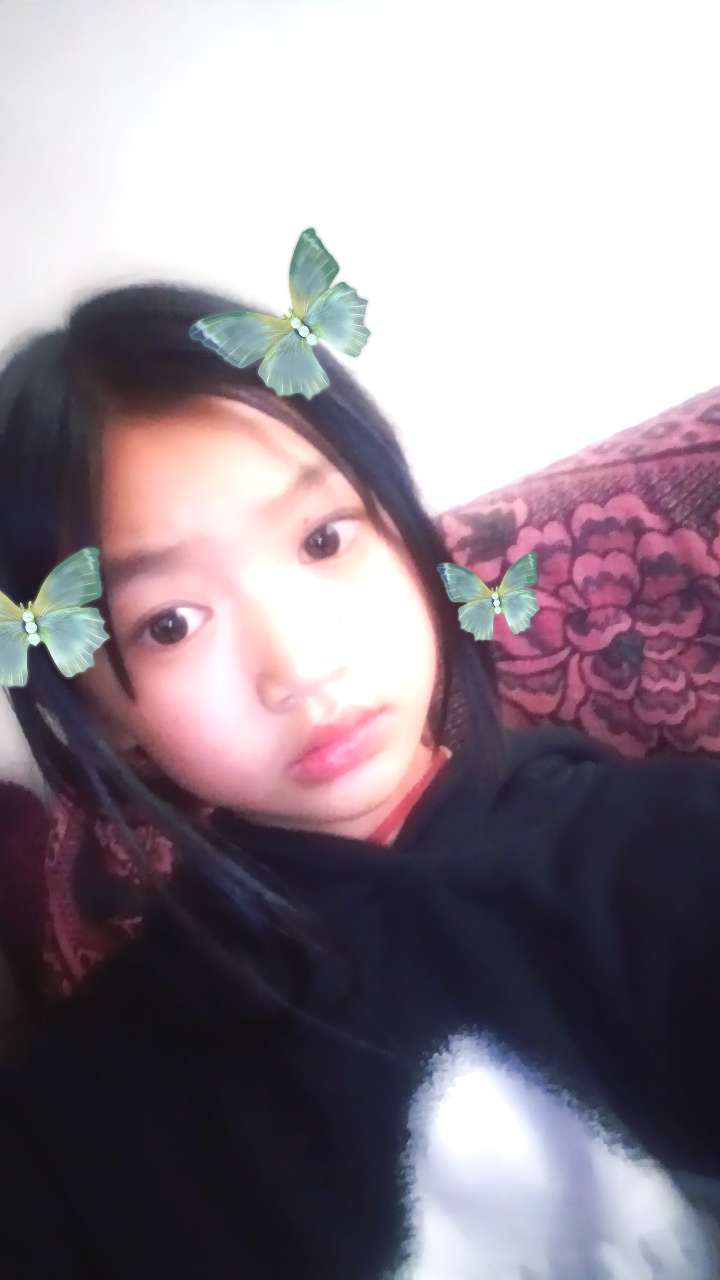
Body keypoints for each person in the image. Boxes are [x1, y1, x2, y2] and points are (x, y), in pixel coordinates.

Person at [1, 280, 720, 1280]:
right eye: (169, 623)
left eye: (323, 539)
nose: (299, 667)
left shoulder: (671, 851)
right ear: (96, 704)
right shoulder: (88, 1121)